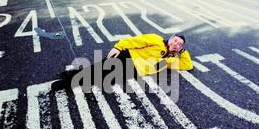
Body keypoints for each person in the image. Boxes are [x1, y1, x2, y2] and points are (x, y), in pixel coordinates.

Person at [60, 33, 193, 91]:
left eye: (179, 44)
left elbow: (187, 65)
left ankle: (73, 75)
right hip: (127, 56)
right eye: (175, 40)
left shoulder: (171, 60)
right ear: (170, 39)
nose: (176, 44)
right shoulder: (156, 40)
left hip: (133, 71)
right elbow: (135, 40)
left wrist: (182, 53)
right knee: (98, 69)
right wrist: (118, 46)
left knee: (103, 79)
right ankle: (67, 82)